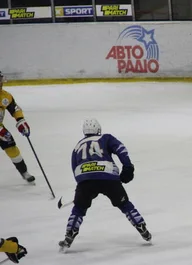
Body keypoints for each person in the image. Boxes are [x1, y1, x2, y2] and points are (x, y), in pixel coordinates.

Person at [58, 118, 152, 251]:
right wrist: (127, 167)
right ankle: (141, 226)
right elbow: (121, 149)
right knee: (124, 204)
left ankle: (70, 233)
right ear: (98, 130)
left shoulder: (78, 145)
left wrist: (82, 185)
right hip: (108, 176)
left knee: (79, 208)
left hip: (85, 179)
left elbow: (74, 166)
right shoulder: (105, 138)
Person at [0, 71, 35, 183]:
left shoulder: (6, 96)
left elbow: (15, 109)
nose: (1, 83)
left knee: (11, 147)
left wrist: (21, 120)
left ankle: (24, 171)